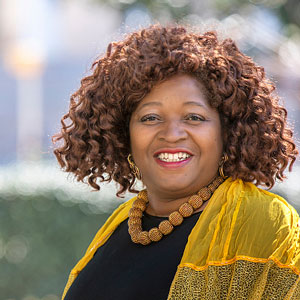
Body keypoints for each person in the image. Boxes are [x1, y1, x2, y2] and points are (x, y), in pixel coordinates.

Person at [53, 24, 300, 299]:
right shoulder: (122, 224)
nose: (171, 135)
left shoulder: (263, 222)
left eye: (194, 117)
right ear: (124, 135)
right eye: (150, 118)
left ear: (228, 132)